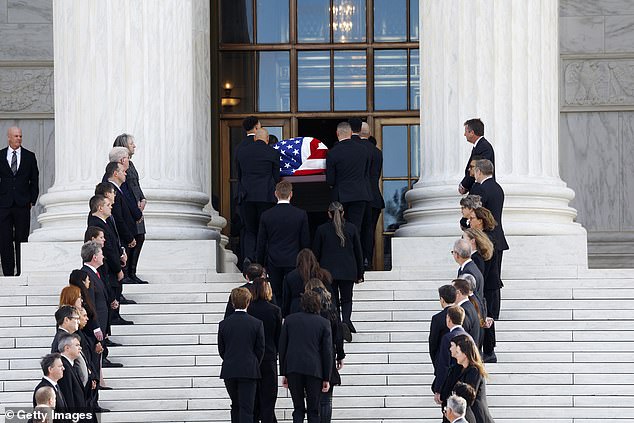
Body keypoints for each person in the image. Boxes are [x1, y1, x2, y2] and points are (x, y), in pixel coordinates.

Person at [313, 201, 364, 341]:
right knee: (347, 299)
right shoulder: (352, 228)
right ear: (343, 213)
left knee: (333, 300)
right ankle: (346, 321)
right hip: (348, 270)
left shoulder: (321, 230)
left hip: (328, 272)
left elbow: (316, 253)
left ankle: (337, 323)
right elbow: (358, 253)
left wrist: (316, 271)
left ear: (329, 214)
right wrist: (360, 273)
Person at [280, 291, 333, 423]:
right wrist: (327, 377)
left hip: (293, 368)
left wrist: (284, 372)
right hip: (314, 370)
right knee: (313, 410)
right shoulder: (324, 323)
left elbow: (282, 348)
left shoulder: (289, 320)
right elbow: (327, 352)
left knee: (297, 408)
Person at [256, 180, 310, 306]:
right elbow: (305, 241)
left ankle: (279, 320)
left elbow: (261, 242)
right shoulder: (300, 214)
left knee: (276, 294)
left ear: (276, 194)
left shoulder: (266, 215)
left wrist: (260, 264)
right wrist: (305, 262)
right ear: (291, 194)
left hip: (274, 260)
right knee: (295, 293)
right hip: (294, 260)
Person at [218, 287, 265, 423]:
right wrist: (254, 362)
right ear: (248, 302)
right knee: (247, 408)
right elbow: (260, 349)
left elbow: (222, 349)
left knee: (235, 405)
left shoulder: (224, 324)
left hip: (230, 369)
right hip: (249, 369)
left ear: (232, 303)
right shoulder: (256, 324)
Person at [87, 194, 135, 324]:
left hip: (113, 263)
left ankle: (113, 318)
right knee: (110, 295)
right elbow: (108, 249)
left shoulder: (105, 222)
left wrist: (121, 253)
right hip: (108, 267)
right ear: (100, 208)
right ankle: (112, 320)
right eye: (108, 206)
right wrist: (118, 268)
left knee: (114, 292)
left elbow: (114, 242)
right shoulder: (96, 224)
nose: (111, 207)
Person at [236, 127, 280, 264]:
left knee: (250, 230)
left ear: (255, 138)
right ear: (267, 140)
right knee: (265, 230)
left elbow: (239, 175)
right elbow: (276, 177)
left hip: (247, 197)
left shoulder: (242, 152)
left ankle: (249, 257)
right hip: (266, 197)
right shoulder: (273, 153)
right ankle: (263, 261)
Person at [304, 278, 345, 423]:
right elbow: (338, 333)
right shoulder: (331, 308)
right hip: (328, 354)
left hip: (309, 354)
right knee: (326, 399)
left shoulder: (305, 310)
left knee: (312, 397)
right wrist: (340, 354)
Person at [0, 126, 39, 276]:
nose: (19, 139)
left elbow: (34, 180)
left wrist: (32, 200)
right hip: (4, 204)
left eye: (20, 136)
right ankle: (8, 272)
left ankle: (21, 271)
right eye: (16, 136)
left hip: (23, 204)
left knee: (22, 239)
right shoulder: (1, 155)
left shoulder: (29, 156)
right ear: (8, 137)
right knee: (4, 239)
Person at [246, 278, 282, 423]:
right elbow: (279, 337)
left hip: (251, 357)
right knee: (269, 398)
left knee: (252, 398)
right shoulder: (275, 310)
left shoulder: (249, 310)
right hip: (269, 357)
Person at [113, 133, 148, 284]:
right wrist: (134, 207)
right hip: (130, 209)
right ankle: (126, 273)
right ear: (123, 146)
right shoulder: (118, 167)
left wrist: (143, 199)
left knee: (140, 237)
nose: (134, 146)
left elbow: (135, 185)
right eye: (131, 143)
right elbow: (125, 189)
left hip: (137, 207)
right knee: (130, 239)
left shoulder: (131, 165)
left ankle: (133, 272)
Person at [469, 207, 503, 363]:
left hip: (488, 286)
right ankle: (487, 350)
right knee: (485, 316)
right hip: (489, 285)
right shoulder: (486, 236)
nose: (470, 220)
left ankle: (489, 351)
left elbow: (484, 267)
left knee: (487, 317)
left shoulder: (486, 239)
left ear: (480, 221)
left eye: (473, 218)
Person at [325, 121, 371, 233]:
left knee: (339, 228)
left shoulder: (332, 153)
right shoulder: (364, 150)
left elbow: (330, 180)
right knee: (356, 229)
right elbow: (366, 173)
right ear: (351, 133)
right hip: (360, 194)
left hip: (341, 196)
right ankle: (354, 250)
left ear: (337, 133)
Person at [440, 335, 495, 423]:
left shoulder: (475, 370)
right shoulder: (459, 368)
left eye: (457, 352)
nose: (455, 355)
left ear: (465, 354)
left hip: (476, 417)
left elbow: (468, 395)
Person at [470, 159, 509, 275]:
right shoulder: (498, 188)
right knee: (495, 279)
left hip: (486, 239)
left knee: (485, 280)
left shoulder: (482, 189)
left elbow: (478, 212)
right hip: (498, 237)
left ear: (479, 172)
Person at [358, 122, 384, 269]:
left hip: (360, 196)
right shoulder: (376, 151)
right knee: (370, 231)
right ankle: (368, 259)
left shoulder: (357, 150)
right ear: (368, 133)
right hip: (374, 196)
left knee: (358, 230)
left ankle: (360, 261)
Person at [432, 306, 468, 404]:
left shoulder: (448, 338)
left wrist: (438, 389)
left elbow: (443, 365)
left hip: (449, 384)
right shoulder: (468, 336)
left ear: (449, 319)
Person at [458, 119, 494, 195]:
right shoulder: (480, 145)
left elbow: (477, 169)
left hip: (482, 191)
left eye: (466, 131)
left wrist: (464, 185)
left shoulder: (483, 146)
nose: (464, 134)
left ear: (472, 133)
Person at [282, 248, 320, 318]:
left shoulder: (290, 276)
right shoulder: (320, 274)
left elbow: (286, 298)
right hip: (316, 307)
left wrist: (285, 314)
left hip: (295, 308)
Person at [56, 333, 87, 411]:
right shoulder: (63, 366)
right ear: (67, 348)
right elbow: (67, 394)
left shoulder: (70, 365)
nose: (80, 348)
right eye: (77, 345)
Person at [429, 284, 457, 366]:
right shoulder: (462, 314)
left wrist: (436, 361)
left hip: (442, 359)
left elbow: (433, 343)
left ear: (442, 299)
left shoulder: (437, 318)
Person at [453, 238, 485, 307]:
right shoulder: (470, 267)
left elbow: (466, 297)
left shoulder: (468, 272)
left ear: (457, 255)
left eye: (453, 252)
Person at [452, 279, 480, 347]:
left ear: (458, 293)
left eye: (452, 291)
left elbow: (463, 336)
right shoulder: (469, 306)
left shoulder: (464, 310)